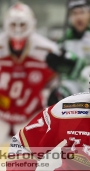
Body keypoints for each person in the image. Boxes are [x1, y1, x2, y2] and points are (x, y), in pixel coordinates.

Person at [0, 2, 58, 144]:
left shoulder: (48, 50)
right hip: (2, 112)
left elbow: (57, 78)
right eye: (14, 25)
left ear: (31, 25)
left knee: (32, 155)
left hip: (31, 111)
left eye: (22, 25)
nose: (18, 30)